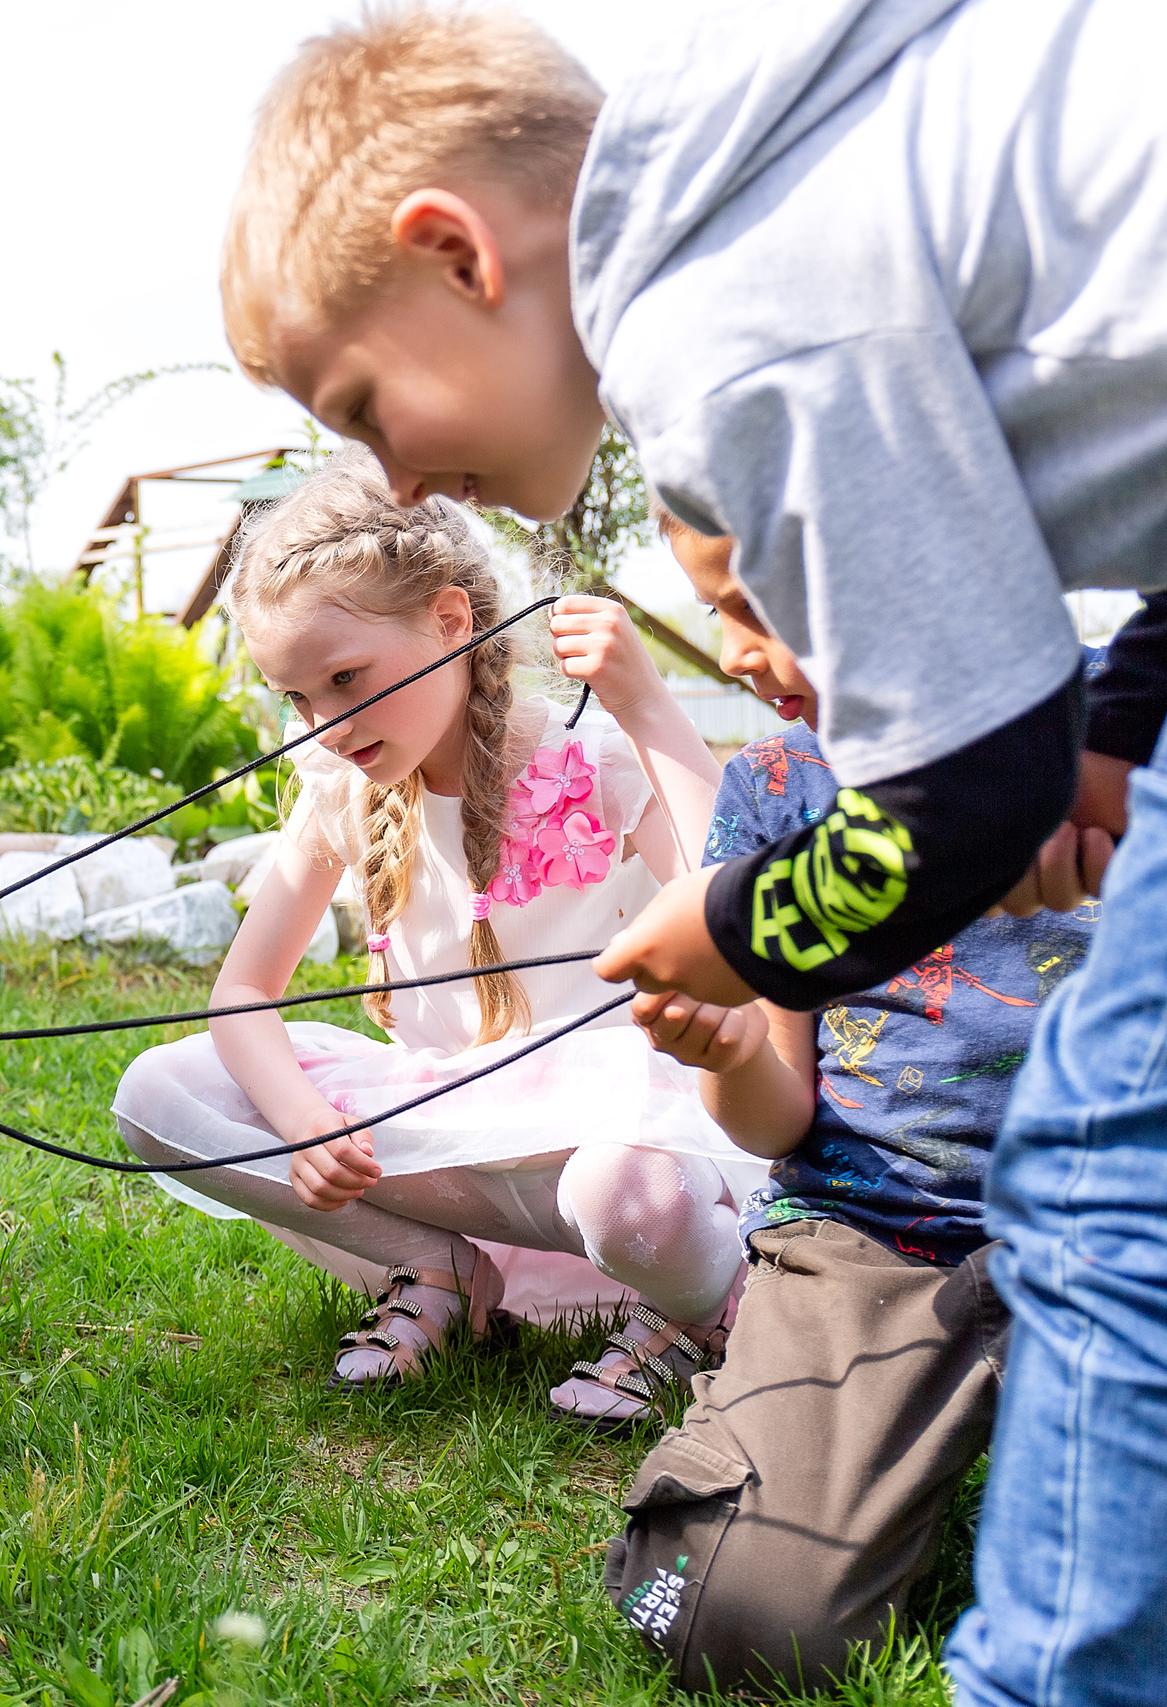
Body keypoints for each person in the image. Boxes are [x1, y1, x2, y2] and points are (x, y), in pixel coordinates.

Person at [216, 8, 1167, 1695]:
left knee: (1100, 1167)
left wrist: (732, 927)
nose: (394, 468)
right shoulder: (824, 188)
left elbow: (972, 778)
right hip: (876, 1217)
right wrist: (1119, 716)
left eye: (367, 400)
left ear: (458, 254)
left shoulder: (723, 323)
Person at [112, 455, 755, 1422]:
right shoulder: (342, 790)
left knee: (634, 1191)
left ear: (452, 623)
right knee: (157, 1091)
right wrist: (304, 1120)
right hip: (451, 1144)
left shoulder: (591, 758)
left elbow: (734, 911)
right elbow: (243, 995)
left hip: (597, 1154)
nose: (324, 725)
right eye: (297, 699)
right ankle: (441, 1273)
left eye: (344, 679)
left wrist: (647, 703)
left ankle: (699, 1312)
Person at [605, 512, 1098, 1690]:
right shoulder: (773, 786)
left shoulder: (1127, 734)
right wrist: (726, 1054)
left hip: (1114, 1232)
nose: (728, 651)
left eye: (748, 608)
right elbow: (783, 1116)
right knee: (733, 1626)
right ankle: (790, 1430)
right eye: (713, 609)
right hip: (879, 1235)